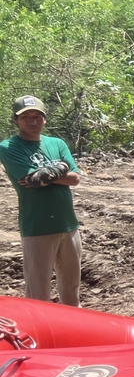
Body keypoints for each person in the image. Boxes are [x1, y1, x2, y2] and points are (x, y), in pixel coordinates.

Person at [0, 95, 82, 306]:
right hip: (37, 226)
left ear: (45, 119)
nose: (33, 121)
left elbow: (74, 178)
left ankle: (74, 335)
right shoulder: (9, 147)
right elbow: (32, 180)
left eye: (38, 116)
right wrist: (60, 168)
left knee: (71, 290)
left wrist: (47, 174)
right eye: (26, 117)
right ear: (15, 120)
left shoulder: (56, 143)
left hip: (68, 224)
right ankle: (40, 336)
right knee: (38, 295)